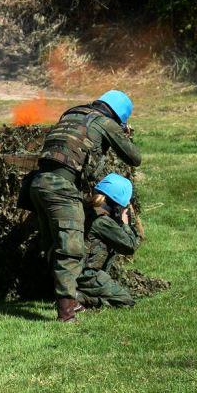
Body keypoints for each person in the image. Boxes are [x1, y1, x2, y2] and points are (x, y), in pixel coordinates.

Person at [28, 89, 141, 322]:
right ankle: (67, 311)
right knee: (71, 249)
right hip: (62, 187)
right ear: (119, 116)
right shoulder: (105, 123)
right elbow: (134, 158)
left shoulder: (71, 114)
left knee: (51, 244)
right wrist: (122, 133)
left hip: (38, 182)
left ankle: (69, 298)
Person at [76, 173, 141, 309]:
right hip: (86, 276)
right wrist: (126, 223)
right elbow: (130, 246)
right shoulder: (103, 222)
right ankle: (79, 298)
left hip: (70, 271)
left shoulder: (85, 208)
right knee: (125, 301)